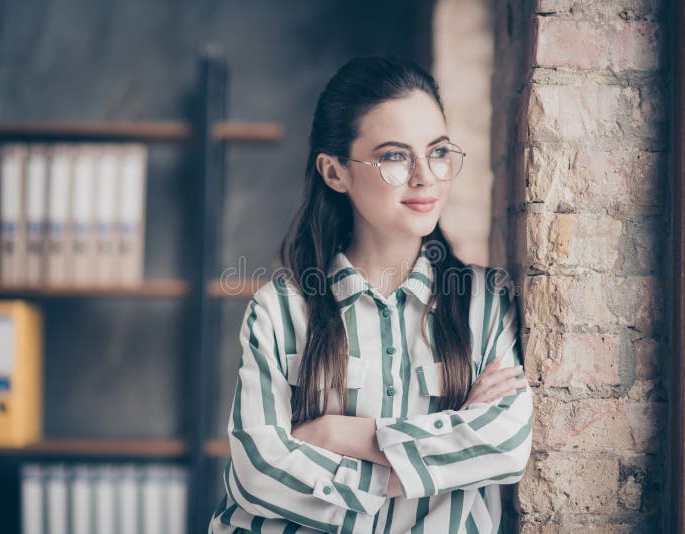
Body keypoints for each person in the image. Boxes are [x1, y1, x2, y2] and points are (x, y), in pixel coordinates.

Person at [209, 54, 533, 534]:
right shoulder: (281, 308)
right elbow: (257, 470)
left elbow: (504, 444)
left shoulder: (486, 302)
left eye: (438, 151)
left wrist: (338, 434)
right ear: (335, 172)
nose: (425, 176)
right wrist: (442, 453)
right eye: (394, 157)